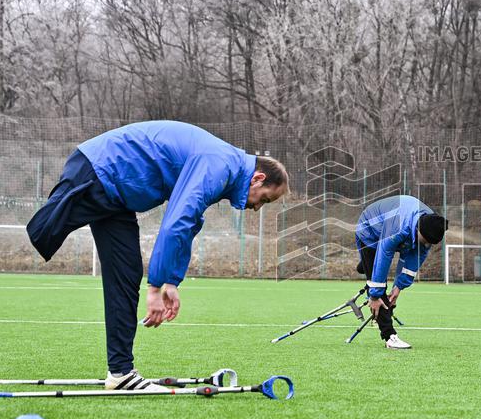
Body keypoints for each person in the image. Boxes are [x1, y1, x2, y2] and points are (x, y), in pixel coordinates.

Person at [27, 121, 288, 390]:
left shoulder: (225, 168)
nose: (257, 207)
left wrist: (171, 282)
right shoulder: (219, 165)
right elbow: (176, 222)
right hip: (102, 169)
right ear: (258, 179)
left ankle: (120, 373)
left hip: (118, 193)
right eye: (264, 199)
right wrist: (154, 287)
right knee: (43, 231)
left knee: (126, 275)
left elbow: (189, 223)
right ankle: (121, 371)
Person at [355, 195, 448, 349]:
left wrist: (398, 287)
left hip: (396, 232)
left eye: (429, 244)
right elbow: (384, 255)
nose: (426, 245)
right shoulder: (397, 228)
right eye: (425, 241)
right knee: (378, 287)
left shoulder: (431, 225)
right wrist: (375, 294)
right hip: (370, 232)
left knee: (379, 278)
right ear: (418, 230)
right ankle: (390, 337)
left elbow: (413, 262)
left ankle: (364, 267)